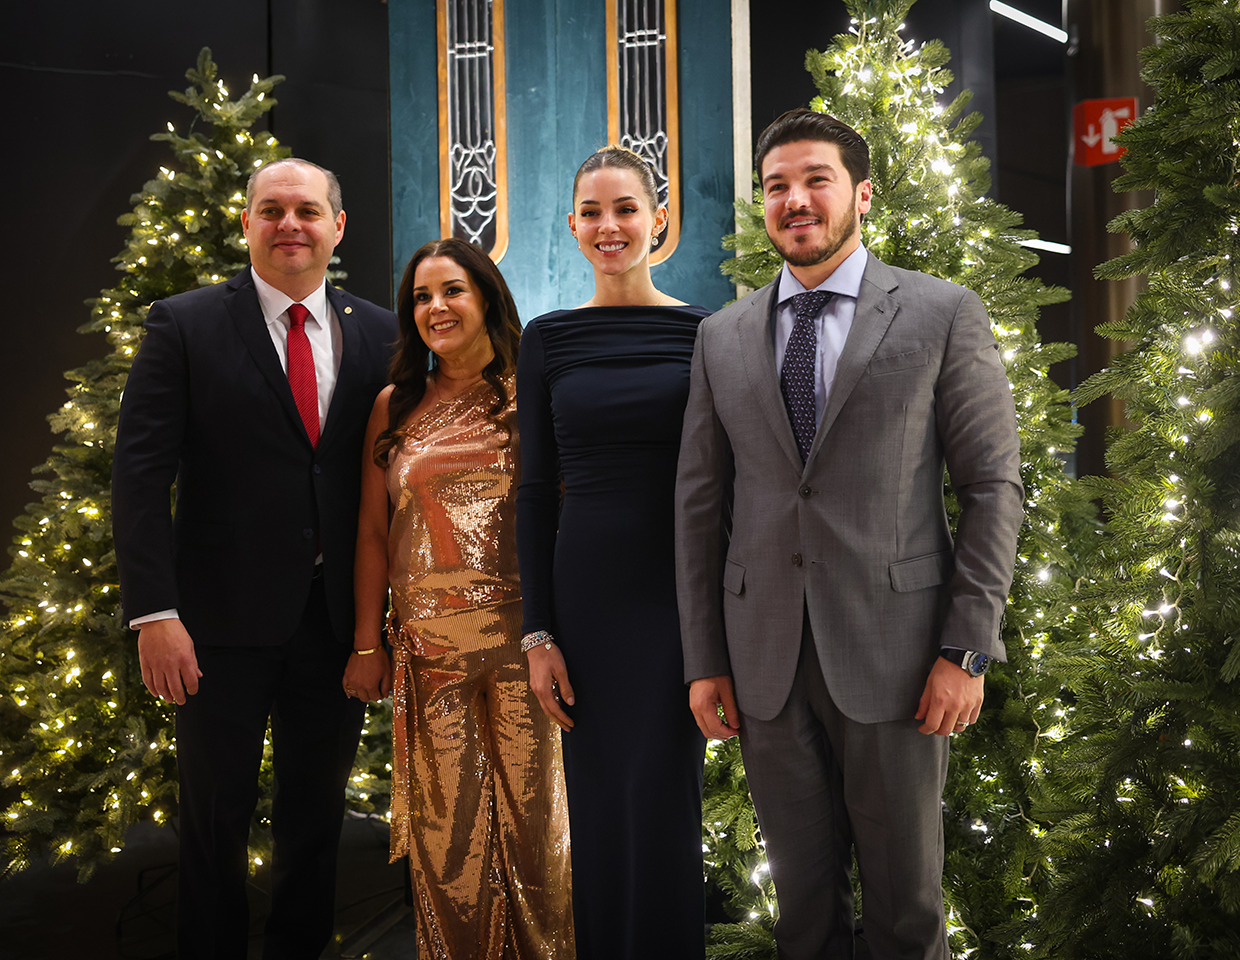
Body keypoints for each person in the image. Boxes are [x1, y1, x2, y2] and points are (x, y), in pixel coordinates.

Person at [675, 108, 1024, 960]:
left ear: (862, 194)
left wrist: (967, 650)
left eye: (815, 180)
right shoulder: (721, 335)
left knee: (907, 911)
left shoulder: (942, 313)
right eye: (776, 186)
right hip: (763, 662)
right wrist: (703, 658)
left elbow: (992, 488)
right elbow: (698, 506)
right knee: (802, 915)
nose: (795, 200)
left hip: (899, 657)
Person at [112, 158, 398, 960]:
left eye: (307, 210)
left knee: (317, 819)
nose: (289, 225)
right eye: (271, 210)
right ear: (246, 224)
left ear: (338, 227)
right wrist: (155, 614)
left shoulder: (382, 332)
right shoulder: (184, 325)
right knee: (214, 821)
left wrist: (382, 625)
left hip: (334, 625)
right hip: (214, 626)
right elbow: (139, 477)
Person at [351, 238, 574, 960]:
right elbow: (372, 532)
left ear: (486, 298)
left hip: (524, 646)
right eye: (421, 297)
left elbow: (563, 514)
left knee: (539, 832)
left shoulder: (531, 394)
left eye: (452, 290)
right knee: (448, 842)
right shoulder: (394, 406)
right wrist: (366, 642)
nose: (436, 308)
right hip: (430, 652)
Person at [516, 145, 709, 960]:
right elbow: (532, 492)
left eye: (625, 209)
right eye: (592, 212)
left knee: (667, 803)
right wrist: (538, 634)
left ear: (658, 219)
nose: (609, 226)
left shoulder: (708, 331)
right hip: (587, 602)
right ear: (571, 226)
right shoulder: (546, 339)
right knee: (597, 810)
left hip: (679, 598)